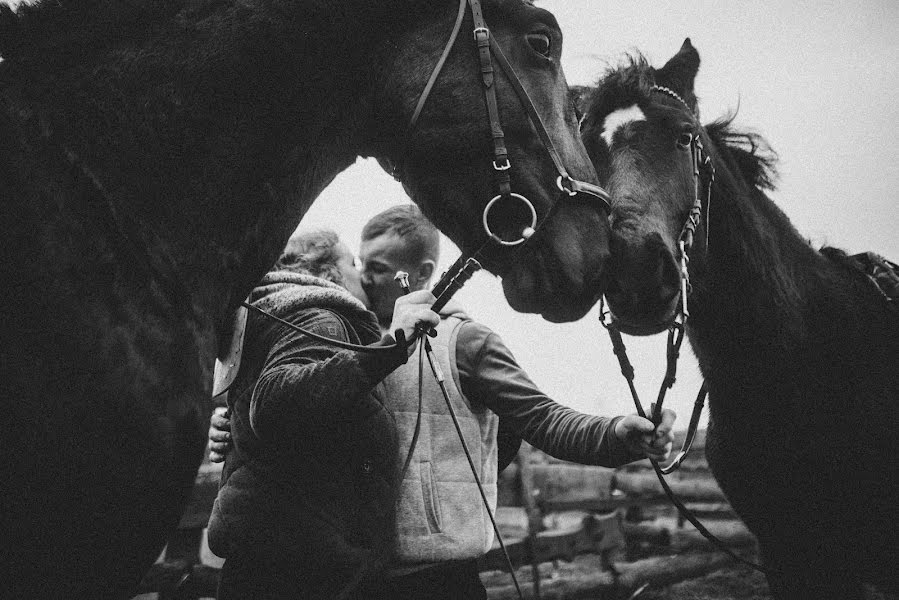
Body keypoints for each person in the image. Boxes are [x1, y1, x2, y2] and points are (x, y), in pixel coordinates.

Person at [209, 206, 676, 600]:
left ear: (422, 274)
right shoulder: (344, 335)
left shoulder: (466, 343)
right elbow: (289, 411)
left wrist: (617, 433)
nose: (364, 280)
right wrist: (232, 430)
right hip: (354, 578)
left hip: (437, 579)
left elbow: (543, 421)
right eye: (361, 263)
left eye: (379, 268)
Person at [206, 229, 440, 600]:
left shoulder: (278, 319)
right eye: (352, 263)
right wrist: (390, 348)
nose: (362, 275)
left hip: (276, 556)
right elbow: (273, 407)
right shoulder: (321, 319)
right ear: (329, 274)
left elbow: (258, 415)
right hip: (299, 571)